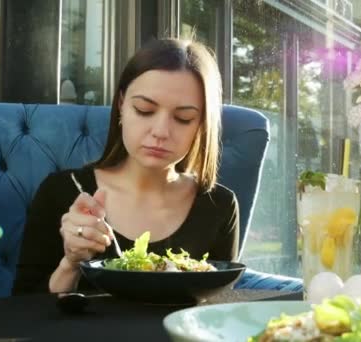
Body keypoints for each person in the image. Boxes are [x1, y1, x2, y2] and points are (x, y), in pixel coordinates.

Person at [12, 38, 240, 294]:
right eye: (144, 110)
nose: (161, 131)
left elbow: (214, 311)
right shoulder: (62, 191)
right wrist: (71, 263)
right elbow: (25, 307)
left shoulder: (219, 205)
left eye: (183, 118)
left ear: (201, 124)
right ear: (121, 105)